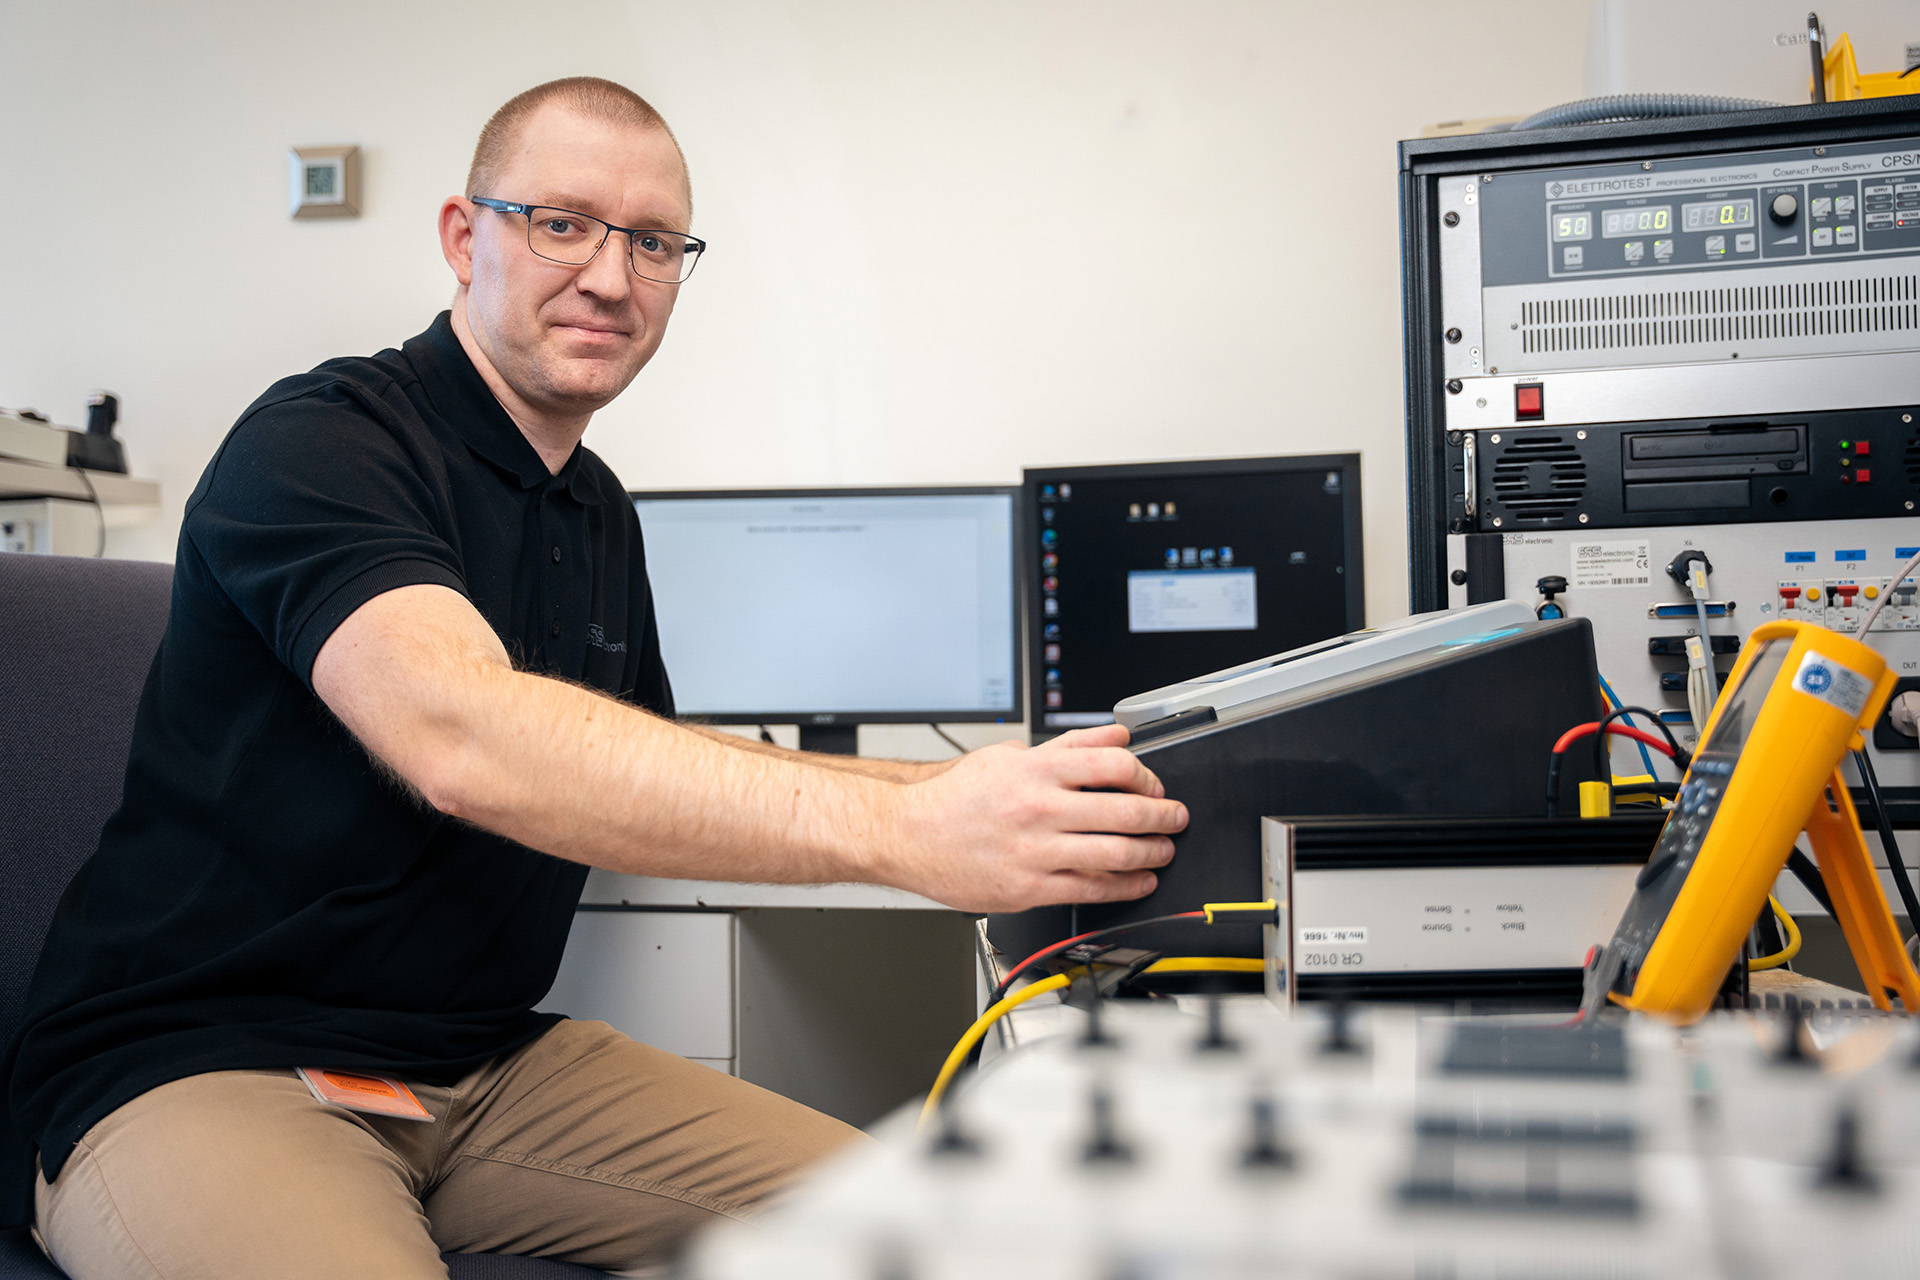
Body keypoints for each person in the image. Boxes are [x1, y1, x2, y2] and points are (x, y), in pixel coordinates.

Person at [1, 77, 1186, 1278]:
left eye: (655, 242)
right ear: (466, 237)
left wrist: (973, 789)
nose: (613, 277)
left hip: (482, 1067)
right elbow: (459, 733)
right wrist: (908, 824)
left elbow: (657, 755)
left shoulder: (594, 508)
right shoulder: (324, 439)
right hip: (206, 1062)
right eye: (562, 223)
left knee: (947, 1232)